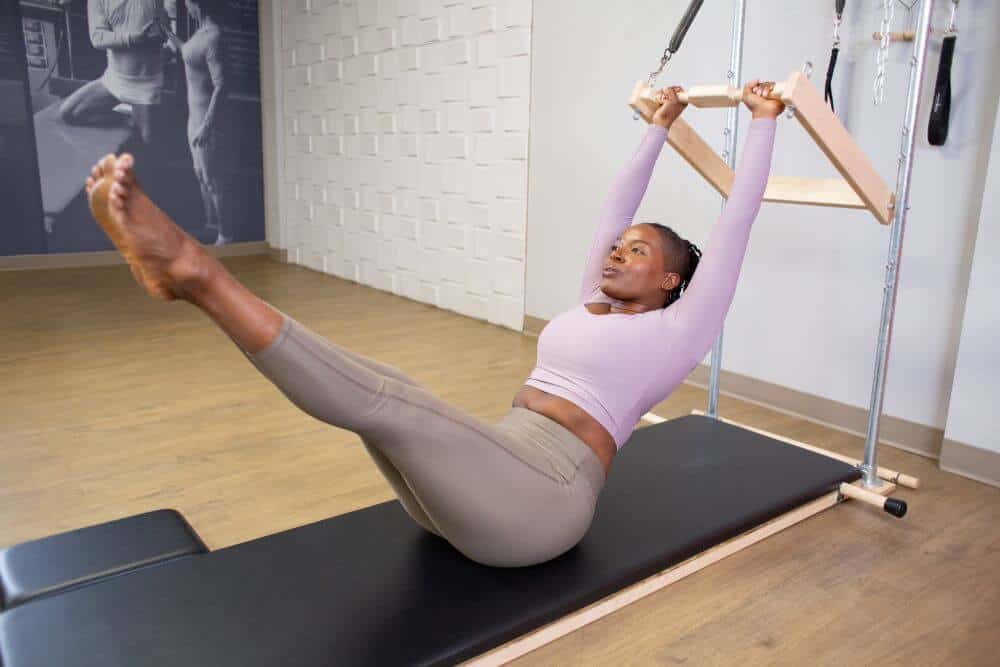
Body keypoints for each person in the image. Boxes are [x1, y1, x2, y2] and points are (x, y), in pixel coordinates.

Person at [83, 81, 783, 568]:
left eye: (639, 249)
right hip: (486, 475)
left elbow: (737, 224)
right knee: (383, 394)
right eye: (618, 242)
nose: (617, 249)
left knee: (390, 402)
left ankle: (196, 274)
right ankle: (188, 277)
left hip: (542, 501)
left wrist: (762, 121)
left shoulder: (679, 332)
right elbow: (614, 201)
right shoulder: (587, 301)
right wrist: (658, 126)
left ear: (669, 281)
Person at [163, 0, 230, 245]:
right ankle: (211, 226)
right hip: (194, 118)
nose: (186, 7)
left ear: (197, 4)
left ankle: (226, 235)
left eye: (188, 3)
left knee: (214, 180)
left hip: (205, 122)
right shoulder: (199, 34)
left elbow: (222, 86)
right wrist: (165, 31)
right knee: (201, 175)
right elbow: (186, 53)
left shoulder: (214, 36)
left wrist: (207, 125)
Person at [59, 0, 168, 146]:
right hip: (113, 80)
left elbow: (164, 30)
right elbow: (97, 38)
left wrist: (163, 32)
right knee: (68, 113)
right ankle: (127, 116)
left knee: (149, 145)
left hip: (146, 84)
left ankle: (137, 116)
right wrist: (133, 39)